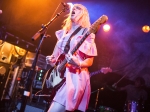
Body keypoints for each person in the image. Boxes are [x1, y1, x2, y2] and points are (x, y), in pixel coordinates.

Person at [46, 3, 97, 112]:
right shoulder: (63, 33)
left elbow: (90, 60)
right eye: (73, 8)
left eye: (78, 8)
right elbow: (54, 59)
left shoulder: (86, 33)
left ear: (83, 14)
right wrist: (50, 60)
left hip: (75, 76)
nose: (74, 9)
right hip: (60, 76)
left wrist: (78, 63)